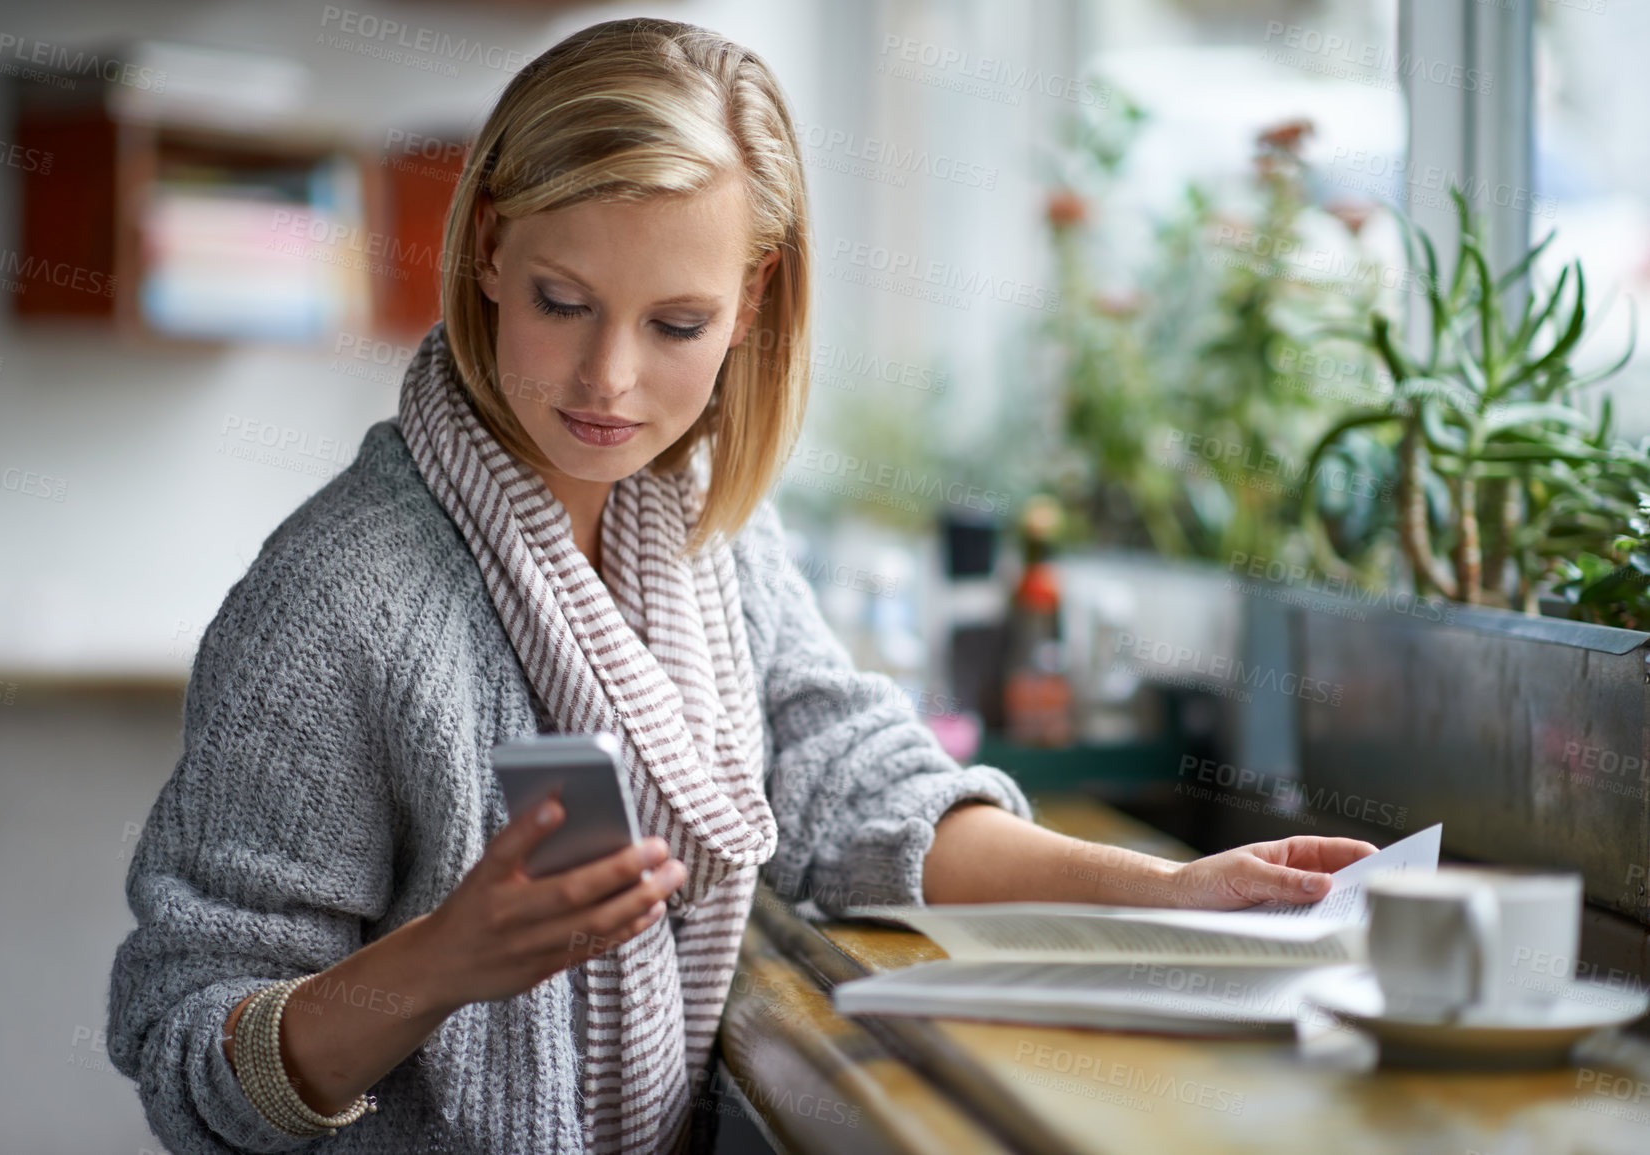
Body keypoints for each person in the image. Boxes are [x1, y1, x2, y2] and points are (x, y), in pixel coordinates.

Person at [106, 16, 1377, 1155]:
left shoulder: (708, 530)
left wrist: (1167, 893)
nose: (608, 378)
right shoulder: (336, 602)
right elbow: (187, 1052)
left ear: (751, 299)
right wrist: (445, 961)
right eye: (563, 301)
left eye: (675, 325)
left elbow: (848, 780)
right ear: (488, 247)